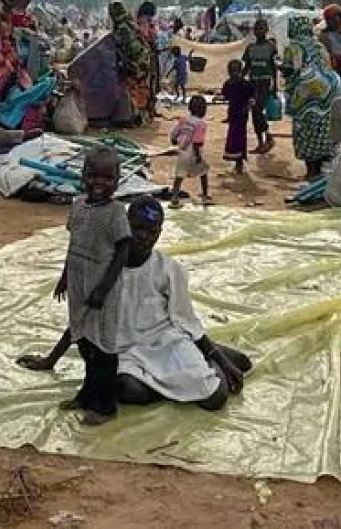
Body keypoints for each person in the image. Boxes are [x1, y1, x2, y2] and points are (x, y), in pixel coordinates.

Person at [18, 196, 253, 410]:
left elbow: (185, 319)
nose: (143, 236)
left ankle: (211, 357)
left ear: (159, 233)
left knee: (215, 399)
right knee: (127, 390)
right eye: (136, 228)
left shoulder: (169, 270)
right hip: (124, 351)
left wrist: (218, 359)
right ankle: (178, 378)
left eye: (151, 231)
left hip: (165, 344)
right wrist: (50, 360)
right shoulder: (103, 267)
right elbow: (83, 317)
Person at [53, 147, 132, 425]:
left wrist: (103, 288)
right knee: (84, 343)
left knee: (103, 349)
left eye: (107, 178)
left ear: (118, 181)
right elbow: (73, 244)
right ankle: (86, 394)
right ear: (83, 176)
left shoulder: (116, 213)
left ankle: (105, 405)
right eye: (92, 176)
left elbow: (123, 251)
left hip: (102, 293)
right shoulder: (77, 206)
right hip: (78, 286)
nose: (99, 183)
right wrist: (64, 277)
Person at [283, 16, 341, 179]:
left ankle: (311, 172)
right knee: (323, 129)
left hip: (307, 94)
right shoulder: (319, 45)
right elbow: (328, 65)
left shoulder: (294, 47)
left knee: (306, 129)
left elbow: (291, 71)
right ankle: (323, 171)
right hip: (330, 90)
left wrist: (281, 67)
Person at [108, 0, 153, 125]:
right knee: (139, 87)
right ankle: (139, 113)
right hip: (141, 59)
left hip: (137, 60)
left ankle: (137, 115)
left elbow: (130, 49)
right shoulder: (128, 23)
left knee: (134, 88)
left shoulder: (123, 28)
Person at [241, 18, 280, 153]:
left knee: (257, 110)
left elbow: (274, 67)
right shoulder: (250, 48)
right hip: (253, 83)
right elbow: (247, 66)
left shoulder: (271, 47)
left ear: (267, 30)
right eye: (256, 29)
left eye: (261, 28)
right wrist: (240, 79)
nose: (259, 31)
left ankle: (267, 138)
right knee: (255, 112)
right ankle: (262, 141)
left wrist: (275, 85)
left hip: (265, 82)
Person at [169, 95, 210, 207]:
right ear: (203, 110)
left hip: (183, 152)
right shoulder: (201, 124)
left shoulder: (183, 121)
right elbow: (197, 142)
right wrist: (198, 156)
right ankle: (205, 194)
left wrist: (173, 141)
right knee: (204, 172)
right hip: (195, 152)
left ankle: (174, 197)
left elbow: (174, 134)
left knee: (179, 176)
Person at [220, 59, 255, 175]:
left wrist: (248, 107)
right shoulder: (229, 84)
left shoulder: (245, 84)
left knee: (240, 136)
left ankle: (239, 161)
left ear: (240, 71)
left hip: (241, 114)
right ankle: (237, 160)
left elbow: (251, 99)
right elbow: (225, 96)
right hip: (233, 113)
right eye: (232, 71)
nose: (234, 73)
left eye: (236, 70)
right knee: (234, 135)